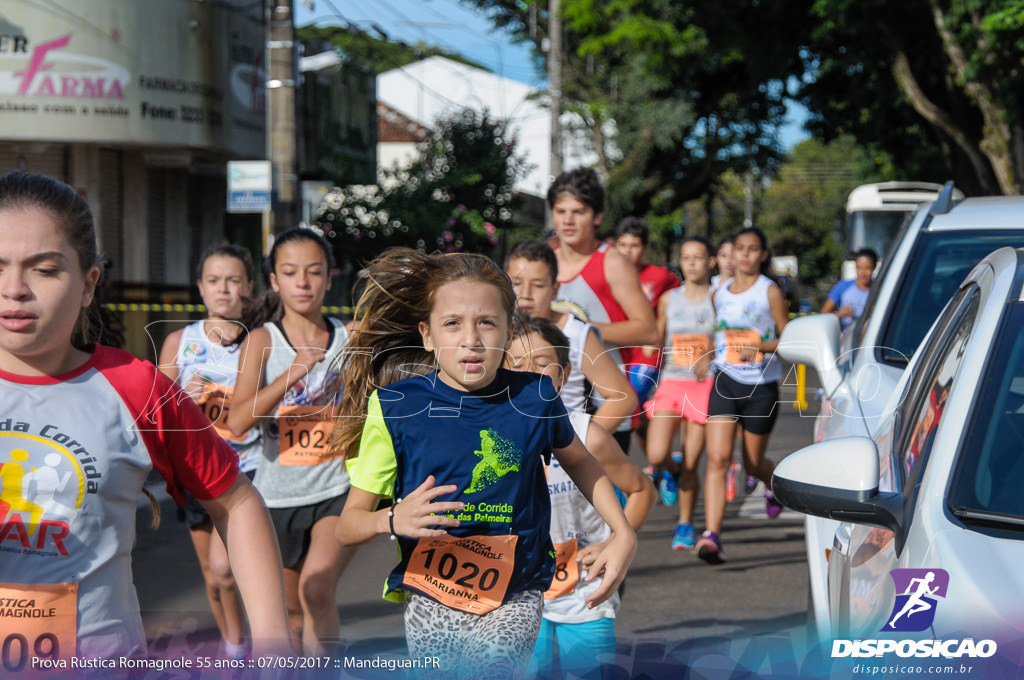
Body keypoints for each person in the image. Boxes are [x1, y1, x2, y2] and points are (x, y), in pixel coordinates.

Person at [0, 171, 291, 660]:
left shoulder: (136, 387)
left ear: (89, 283)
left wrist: (275, 648)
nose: (15, 289)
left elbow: (238, 504)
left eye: (44, 269)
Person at [333, 248, 637, 680]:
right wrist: (394, 519)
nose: (471, 340)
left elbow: (584, 465)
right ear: (427, 334)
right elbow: (347, 526)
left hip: (517, 593)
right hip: (431, 595)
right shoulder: (397, 406)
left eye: (486, 323)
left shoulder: (536, 397)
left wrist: (623, 533)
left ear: (509, 330)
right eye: (452, 324)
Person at [227, 227, 355, 654]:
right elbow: (239, 421)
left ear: (329, 277)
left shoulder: (349, 338)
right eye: (290, 272)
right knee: (291, 614)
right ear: (274, 281)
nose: (303, 282)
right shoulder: (262, 340)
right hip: (276, 497)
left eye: (314, 272)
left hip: (337, 489)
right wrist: (293, 373)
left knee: (316, 590)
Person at [506, 315, 654, 679]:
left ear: (564, 374)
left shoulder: (587, 435)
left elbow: (641, 491)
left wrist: (614, 543)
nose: (530, 375)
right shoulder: (489, 438)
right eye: (517, 365)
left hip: (584, 591)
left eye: (542, 366)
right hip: (516, 592)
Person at [157, 244, 259, 661]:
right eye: (214, 281)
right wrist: (181, 397)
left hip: (247, 468)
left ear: (249, 287)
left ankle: (245, 649)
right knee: (212, 576)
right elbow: (154, 412)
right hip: (195, 471)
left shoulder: (262, 340)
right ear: (200, 287)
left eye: (234, 280)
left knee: (225, 569)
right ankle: (236, 645)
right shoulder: (180, 341)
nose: (224, 289)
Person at [548, 168, 658, 452]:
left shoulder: (612, 262)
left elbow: (648, 329)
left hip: (605, 404)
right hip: (552, 402)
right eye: (561, 211)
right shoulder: (543, 263)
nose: (568, 220)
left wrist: (582, 330)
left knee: (603, 496)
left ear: (596, 216)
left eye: (579, 211)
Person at [698, 227, 790, 564]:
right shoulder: (719, 291)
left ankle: (774, 484)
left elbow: (788, 338)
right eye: (740, 248)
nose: (745, 255)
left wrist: (761, 347)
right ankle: (711, 535)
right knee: (719, 458)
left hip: (760, 386)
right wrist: (706, 357)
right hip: (725, 379)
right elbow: (716, 331)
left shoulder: (770, 292)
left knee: (752, 461)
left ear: (763, 255)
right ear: (732, 253)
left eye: (753, 249)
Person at [505, 239, 636, 433]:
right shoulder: (496, 331)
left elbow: (623, 397)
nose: (526, 294)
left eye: (538, 285)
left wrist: (581, 445)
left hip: (560, 454)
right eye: (516, 283)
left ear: (554, 290)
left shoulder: (575, 333)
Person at [644, 236, 717, 550]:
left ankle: (685, 524)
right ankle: (668, 471)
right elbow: (657, 337)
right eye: (686, 257)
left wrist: (711, 354)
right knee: (655, 454)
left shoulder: (719, 297)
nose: (691, 263)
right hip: (672, 381)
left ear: (710, 261)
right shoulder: (669, 299)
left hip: (704, 385)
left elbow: (728, 334)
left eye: (697, 257)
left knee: (692, 461)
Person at [613, 217, 681, 468]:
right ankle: (666, 466)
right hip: (616, 352)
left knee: (627, 401)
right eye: (623, 244)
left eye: (634, 245)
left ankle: (621, 469)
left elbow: (684, 299)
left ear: (645, 249)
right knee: (637, 418)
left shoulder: (661, 276)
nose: (628, 251)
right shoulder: (608, 274)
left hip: (646, 353)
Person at [821, 248, 878, 332]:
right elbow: (823, 315)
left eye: (867, 268)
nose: (862, 273)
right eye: (859, 268)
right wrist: (839, 314)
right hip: (847, 341)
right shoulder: (843, 286)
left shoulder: (880, 290)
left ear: (874, 268)